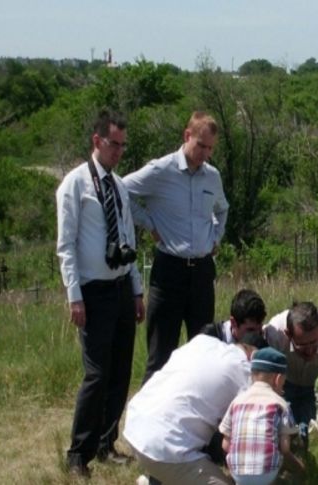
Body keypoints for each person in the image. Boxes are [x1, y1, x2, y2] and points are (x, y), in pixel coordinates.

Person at [55, 110, 146, 477]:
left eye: (124, 146)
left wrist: (137, 290)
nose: (119, 152)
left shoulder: (119, 185)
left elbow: (128, 240)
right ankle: (79, 454)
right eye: (114, 144)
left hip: (122, 286)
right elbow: (66, 246)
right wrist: (74, 295)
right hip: (93, 291)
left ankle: (107, 443)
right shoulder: (75, 185)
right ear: (97, 141)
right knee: (96, 374)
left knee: (121, 371)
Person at [124, 111, 229, 384]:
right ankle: (150, 420)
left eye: (210, 148)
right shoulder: (161, 170)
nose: (204, 153)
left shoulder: (212, 177)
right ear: (187, 136)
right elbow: (122, 190)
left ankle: (199, 421)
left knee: (203, 351)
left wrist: (216, 237)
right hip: (169, 270)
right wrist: (148, 222)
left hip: (202, 271)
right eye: (200, 145)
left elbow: (223, 208)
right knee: (160, 355)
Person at [123, 334, 259, 485]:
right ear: (254, 356)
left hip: (134, 426)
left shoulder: (203, 341)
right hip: (164, 449)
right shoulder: (246, 372)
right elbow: (250, 435)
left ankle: (157, 478)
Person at [263, 302, 318, 445]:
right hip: (284, 388)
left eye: (314, 343)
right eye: (302, 346)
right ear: (288, 334)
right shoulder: (274, 333)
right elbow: (265, 380)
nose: (309, 351)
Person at [220, 347, 305, 485]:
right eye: (283, 382)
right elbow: (285, 448)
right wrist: (299, 468)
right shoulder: (280, 404)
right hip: (266, 475)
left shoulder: (237, 401)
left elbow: (225, 445)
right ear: (277, 379)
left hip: (237, 473)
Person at [202, 288, 267, 344]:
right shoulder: (210, 338)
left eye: (260, 331)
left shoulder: (265, 339)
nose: (256, 336)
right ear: (233, 323)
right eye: (250, 331)